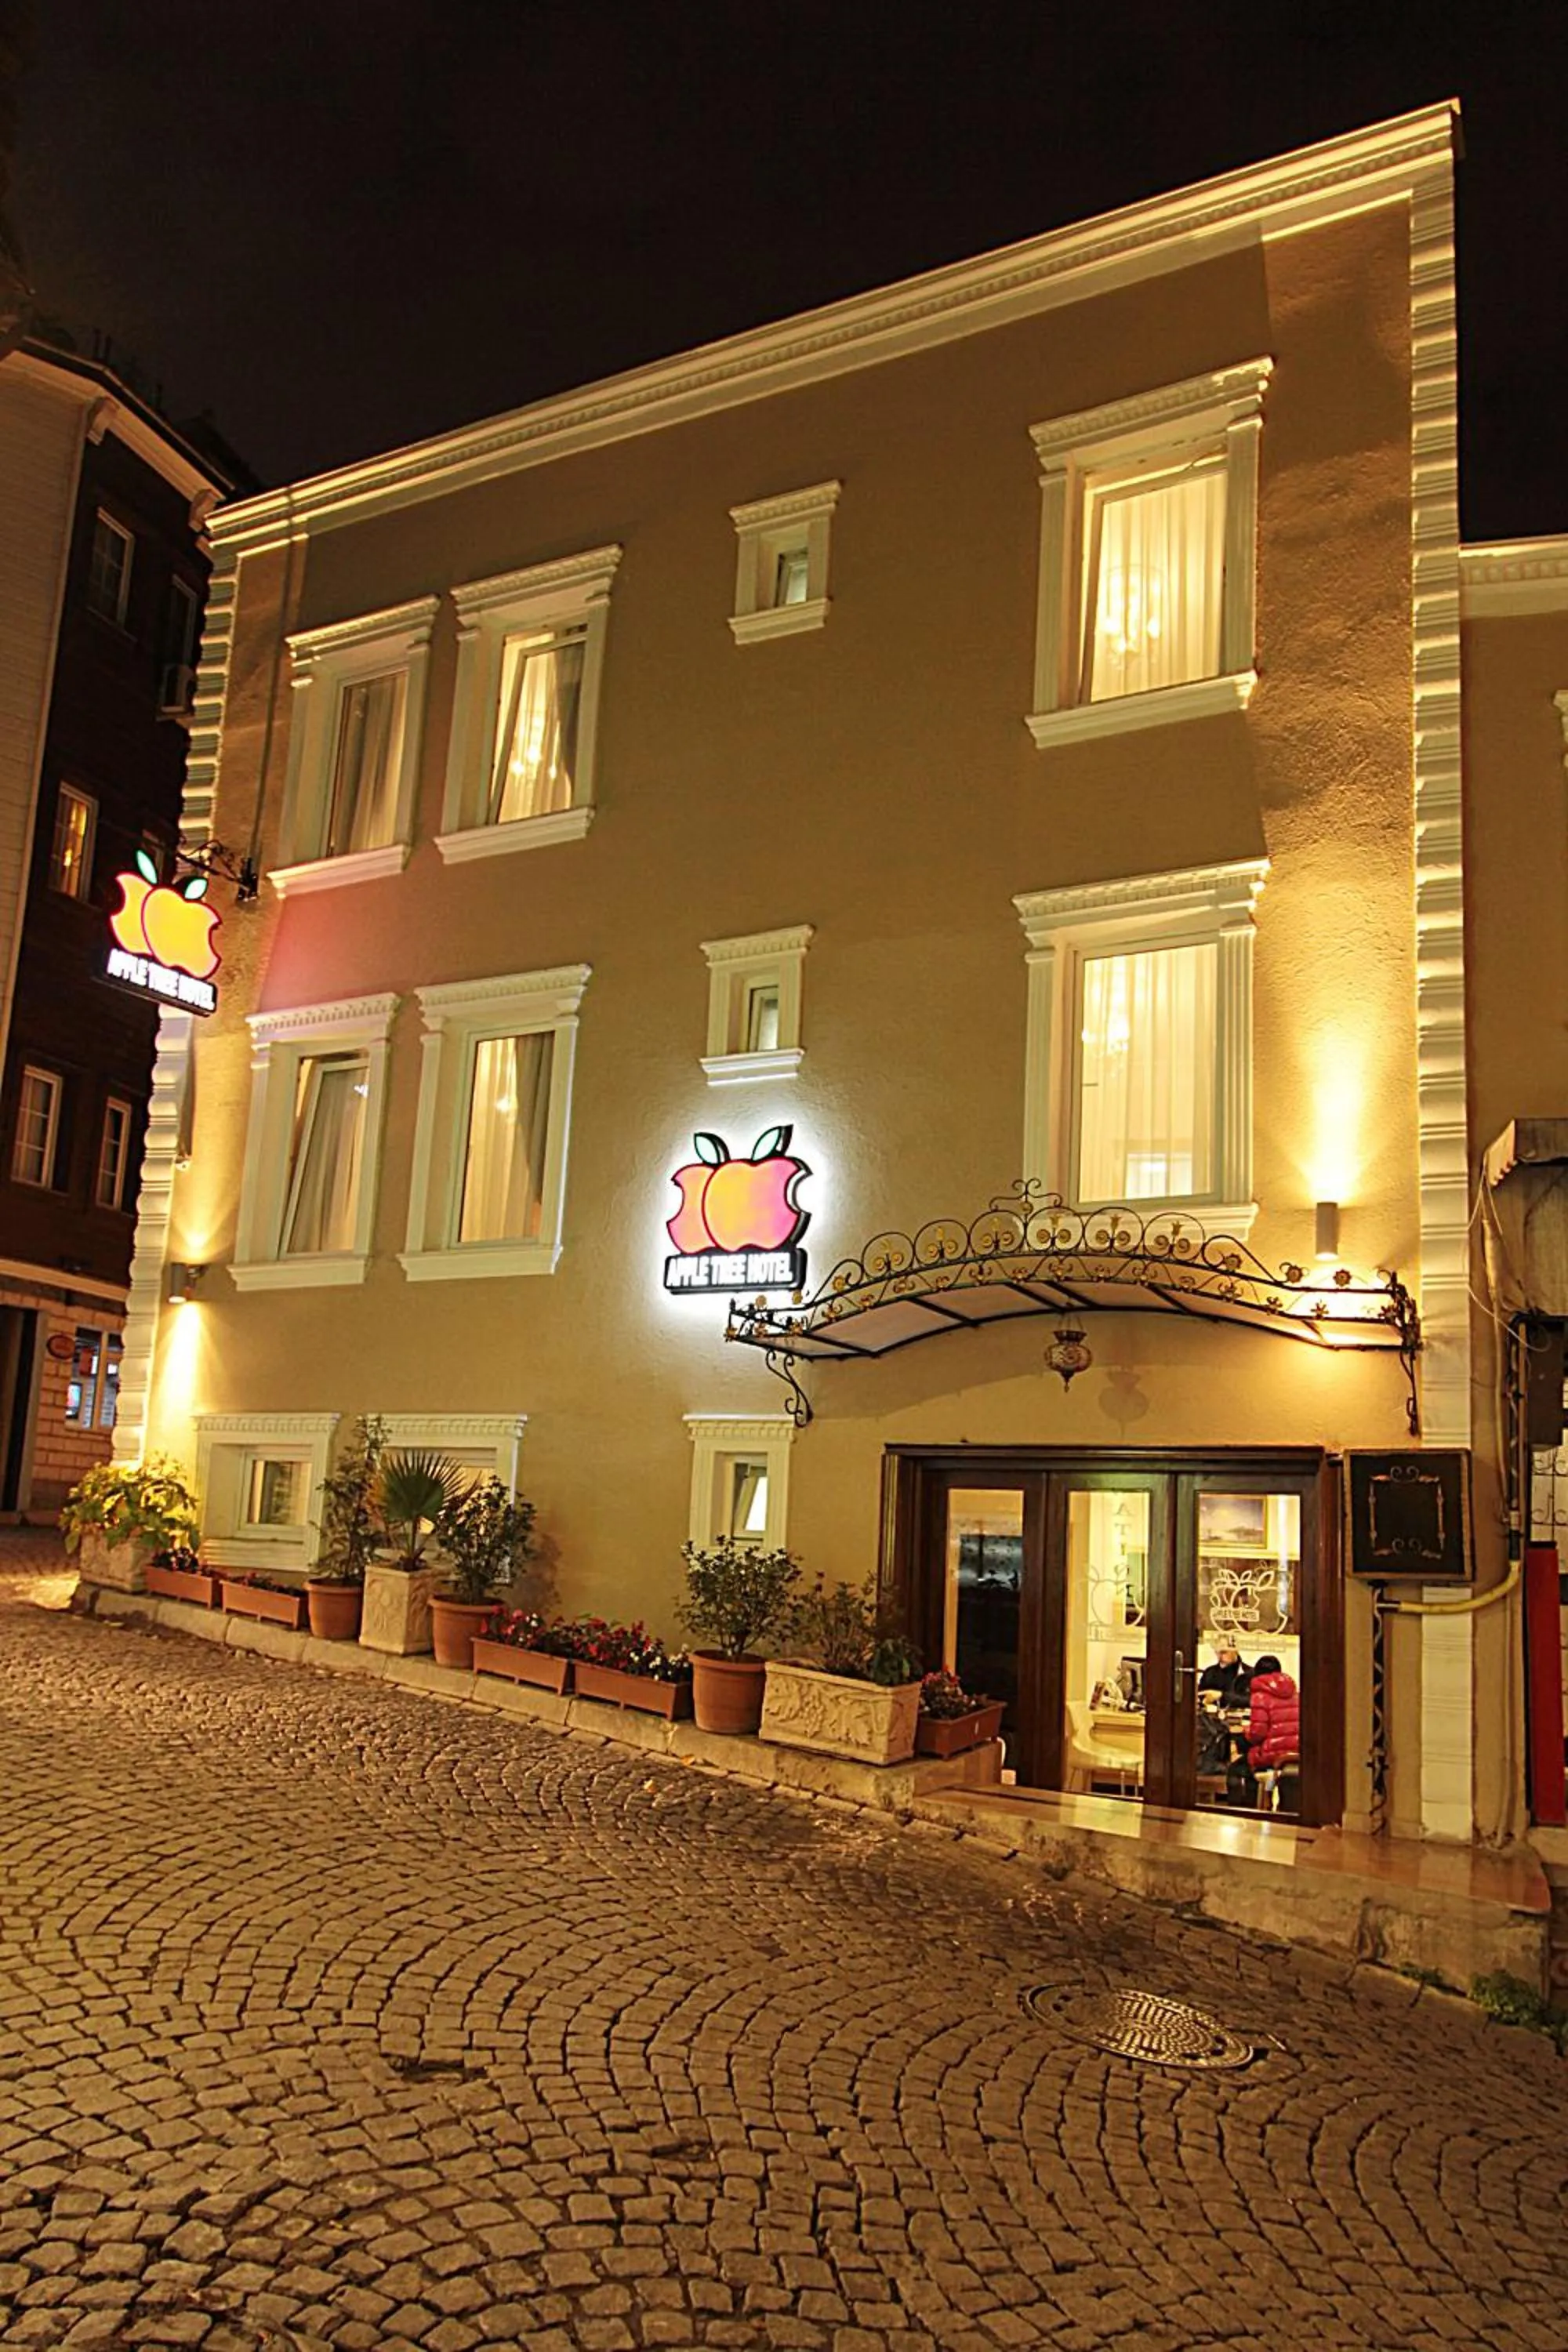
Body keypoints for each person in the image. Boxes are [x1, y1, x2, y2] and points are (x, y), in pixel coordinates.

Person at [1246, 1654, 1301, 1803]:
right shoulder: (1295, 1693)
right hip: (1295, 1754)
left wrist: (1246, 1732)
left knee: (1239, 1768)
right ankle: (1271, 1798)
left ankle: (1262, 1802)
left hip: (1272, 1758)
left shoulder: (1260, 1696)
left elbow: (1257, 1734)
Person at [1197, 1642, 1251, 1708]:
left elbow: (1251, 1700)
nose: (1220, 1656)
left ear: (1235, 1651)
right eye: (1217, 1652)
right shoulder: (1210, 1673)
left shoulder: (1248, 1673)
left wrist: (1222, 1696)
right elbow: (1200, 1695)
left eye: (1224, 1652)